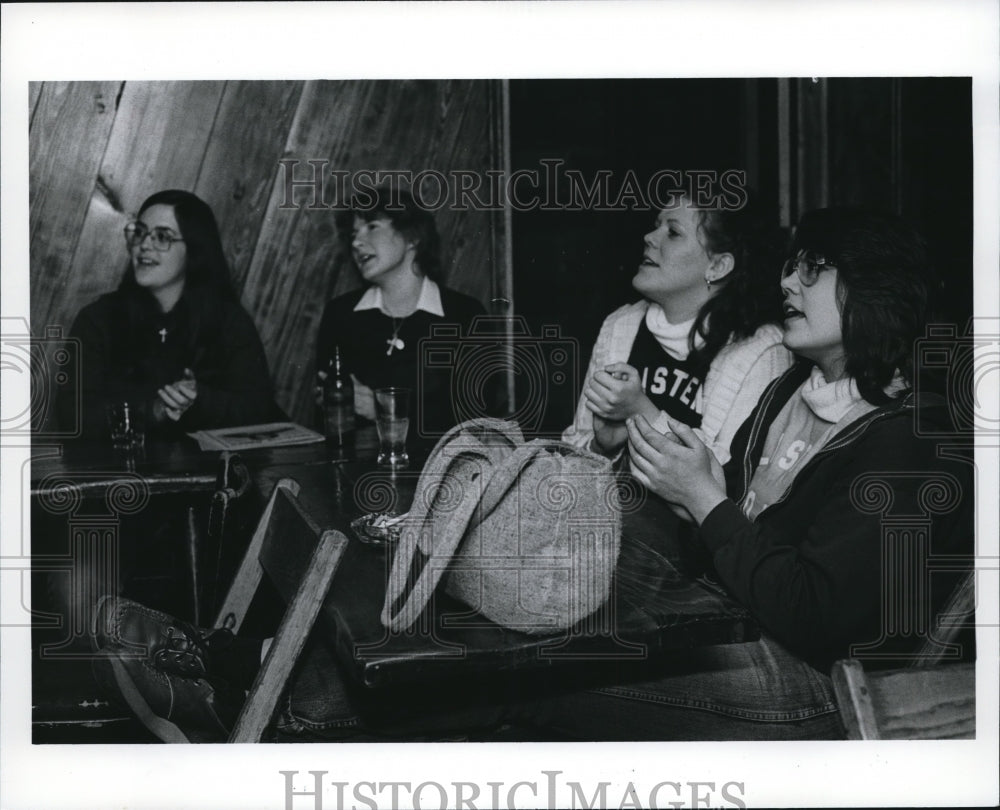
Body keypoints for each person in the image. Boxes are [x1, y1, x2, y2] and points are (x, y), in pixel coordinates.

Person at [88, 207, 973, 743]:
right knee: (469, 594)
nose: (791, 279)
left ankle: (247, 700)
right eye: (792, 262)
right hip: (714, 613)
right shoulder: (791, 384)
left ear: (879, 295)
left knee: (509, 678)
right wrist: (684, 482)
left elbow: (817, 616)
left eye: (816, 269)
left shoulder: (896, 446)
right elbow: (720, 513)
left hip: (804, 685)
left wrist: (703, 498)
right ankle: (236, 667)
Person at [563, 182, 793, 464]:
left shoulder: (762, 351)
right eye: (656, 225)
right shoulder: (620, 326)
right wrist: (603, 446)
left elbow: (732, 487)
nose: (649, 237)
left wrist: (641, 412)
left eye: (672, 232)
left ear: (717, 266)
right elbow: (572, 455)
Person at [57, 189, 281, 439]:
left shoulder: (229, 322)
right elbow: (70, 417)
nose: (144, 245)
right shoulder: (98, 319)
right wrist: (151, 411)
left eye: (162, 236)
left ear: (194, 251)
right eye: (140, 232)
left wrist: (200, 401)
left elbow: (261, 410)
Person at [315, 186, 500, 443]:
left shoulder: (465, 315)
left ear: (413, 237)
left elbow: (478, 422)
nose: (356, 242)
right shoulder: (340, 314)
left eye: (372, 226)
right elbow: (325, 415)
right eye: (354, 233)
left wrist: (383, 410)